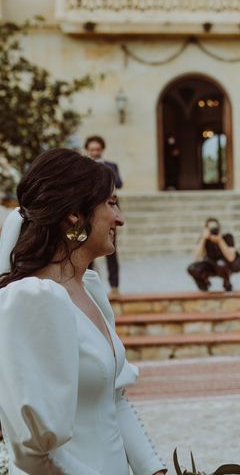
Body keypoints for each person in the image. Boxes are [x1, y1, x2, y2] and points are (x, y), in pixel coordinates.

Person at [0, 149, 165, 474]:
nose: (120, 218)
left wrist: (155, 470)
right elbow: (32, 452)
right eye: (111, 203)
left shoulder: (90, 290)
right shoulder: (30, 300)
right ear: (74, 216)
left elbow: (113, 399)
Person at [85, 135, 123, 295]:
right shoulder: (82, 166)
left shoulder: (111, 166)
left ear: (102, 150)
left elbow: (119, 183)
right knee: (87, 249)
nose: (94, 152)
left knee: (111, 249)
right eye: (92, 149)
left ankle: (114, 287)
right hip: (89, 211)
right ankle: (87, 287)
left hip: (109, 212)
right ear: (88, 150)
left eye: (97, 149)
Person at [187, 217, 240, 292]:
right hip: (212, 265)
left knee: (221, 264)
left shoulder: (227, 237)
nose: (213, 231)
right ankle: (204, 285)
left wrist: (220, 241)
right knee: (192, 268)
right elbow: (196, 256)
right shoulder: (204, 239)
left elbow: (231, 258)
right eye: (211, 229)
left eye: (215, 228)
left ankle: (227, 283)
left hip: (228, 265)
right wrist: (203, 238)